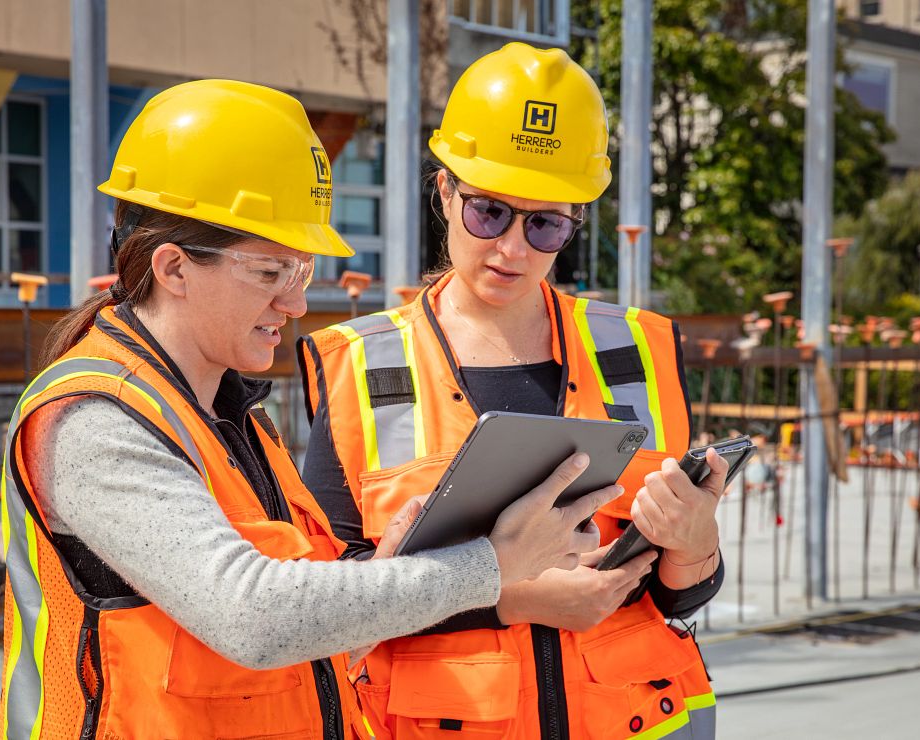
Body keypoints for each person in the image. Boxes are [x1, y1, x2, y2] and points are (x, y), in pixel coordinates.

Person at [0, 79, 621, 740]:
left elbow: (309, 636)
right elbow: (253, 617)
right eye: (269, 274)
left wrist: (393, 566)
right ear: (173, 268)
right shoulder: (94, 421)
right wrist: (493, 566)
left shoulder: (233, 419)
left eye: (303, 273)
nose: (294, 306)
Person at [299, 43, 726, 740]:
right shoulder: (363, 366)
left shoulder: (633, 351)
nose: (513, 249)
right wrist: (518, 598)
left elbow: (682, 591)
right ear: (444, 193)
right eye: (489, 213)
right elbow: (331, 603)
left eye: (545, 224)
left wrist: (697, 542)